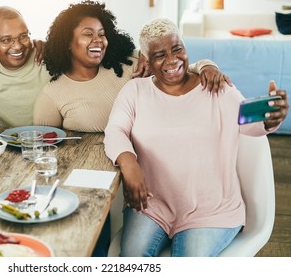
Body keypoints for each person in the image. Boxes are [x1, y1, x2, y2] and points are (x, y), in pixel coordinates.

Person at [103, 18, 289, 257]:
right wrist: (129, 164)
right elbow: (115, 129)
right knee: (131, 258)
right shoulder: (135, 91)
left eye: (177, 48)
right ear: (146, 61)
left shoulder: (216, 87)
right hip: (152, 205)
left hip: (212, 210)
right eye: (159, 55)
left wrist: (269, 120)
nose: (172, 60)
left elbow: (247, 123)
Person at [0, 6, 147, 128]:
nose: (17, 46)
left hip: (60, 140)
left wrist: (140, 54)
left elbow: (90, 49)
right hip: (15, 146)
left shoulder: (45, 54)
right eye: (6, 39)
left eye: (23, 36)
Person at [33, 0, 231, 132]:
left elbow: (177, 67)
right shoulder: (52, 95)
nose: (98, 40)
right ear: (67, 41)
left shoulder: (131, 64)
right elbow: (44, 150)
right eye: (88, 34)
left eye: (102, 34)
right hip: (94, 174)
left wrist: (207, 66)